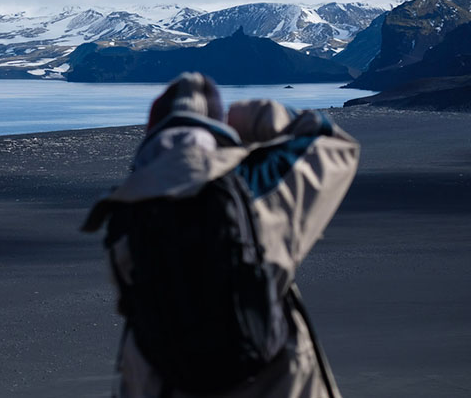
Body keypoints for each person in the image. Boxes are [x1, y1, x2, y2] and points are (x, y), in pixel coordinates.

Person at [82, 72, 360, 398]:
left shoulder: (125, 217)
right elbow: (334, 143)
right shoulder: (255, 187)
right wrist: (250, 118)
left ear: (153, 134)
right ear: (217, 129)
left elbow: (135, 330)